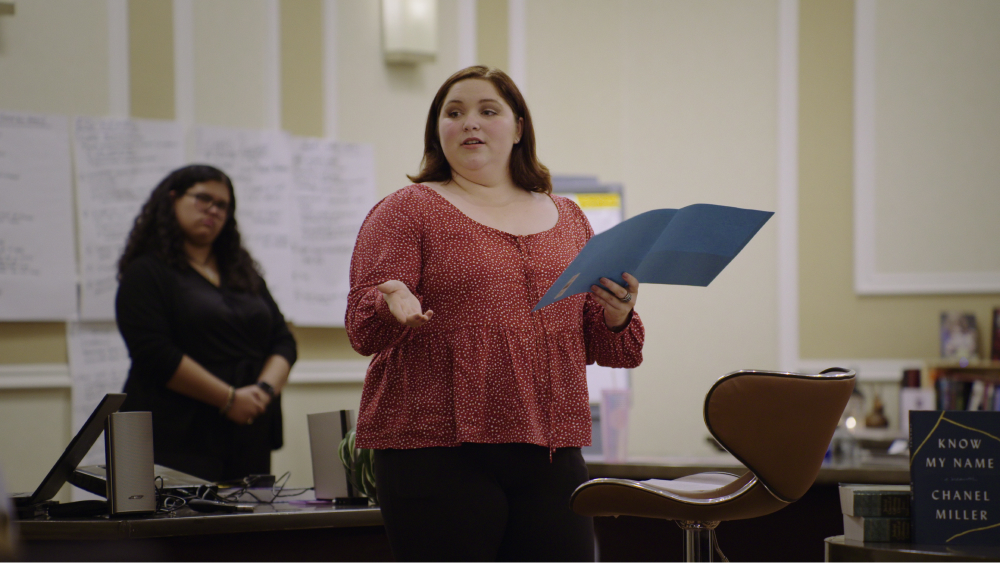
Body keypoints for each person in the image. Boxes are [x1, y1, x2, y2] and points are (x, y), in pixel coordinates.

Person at [346, 66, 644, 561]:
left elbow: (607, 346)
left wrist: (617, 314)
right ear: (436, 130)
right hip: (434, 449)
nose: (470, 124)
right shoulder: (406, 210)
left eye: (488, 111)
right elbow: (361, 327)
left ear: (519, 127)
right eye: (454, 113)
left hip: (550, 447)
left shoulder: (569, 217)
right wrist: (389, 302)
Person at [115, 164, 297, 482]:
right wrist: (228, 399)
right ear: (173, 199)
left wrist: (262, 392)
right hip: (179, 434)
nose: (213, 210)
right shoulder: (145, 272)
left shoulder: (242, 272)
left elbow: (283, 340)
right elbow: (155, 354)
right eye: (203, 199)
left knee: (250, 528)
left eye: (223, 205)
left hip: (248, 428)